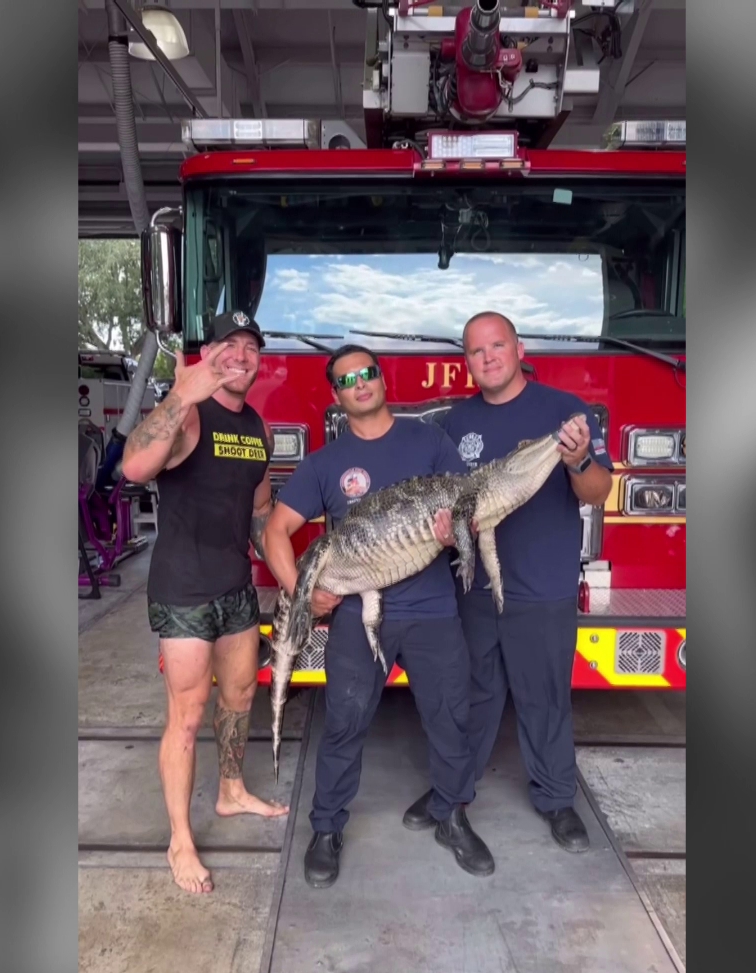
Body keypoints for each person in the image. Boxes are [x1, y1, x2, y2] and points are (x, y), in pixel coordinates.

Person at [260, 345, 492, 887]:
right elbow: (275, 531)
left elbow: (469, 509)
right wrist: (303, 590)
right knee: (343, 724)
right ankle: (326, 828)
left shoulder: (430, 441)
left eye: (367, 373)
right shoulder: (324, 463)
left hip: (434, 610)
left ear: (381, 379)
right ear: (336, 396)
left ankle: (452, 816)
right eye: (347, 380)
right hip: (360, 618)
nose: (360, 384)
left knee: (452, 721)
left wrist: (457, 527)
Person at [427, 311, 613, 851]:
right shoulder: (455, 423)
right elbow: (449, 503)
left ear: (519, 348)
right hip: (475, 589)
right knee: (470, 697)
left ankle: (557, 801)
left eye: (497, 346)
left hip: (542, 587)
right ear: (466, 362)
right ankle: (452, 793)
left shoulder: (563, 413)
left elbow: (597, 492)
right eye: (476, 351)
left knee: (545, 698)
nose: (487, 357)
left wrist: (578, 461)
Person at [121, 312, 290, 895]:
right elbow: (135, 465)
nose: (241, 356)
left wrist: (292, 568)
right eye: (229, 346)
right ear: (210, 353)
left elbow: (260, 507)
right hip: (184, 592)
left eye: (251, 348)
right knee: (187, 718)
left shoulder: (260, 429)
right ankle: (179, 841)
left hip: (236, 588)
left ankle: (231, 790)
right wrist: (177, 395)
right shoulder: (187, 415)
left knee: (241, 696)